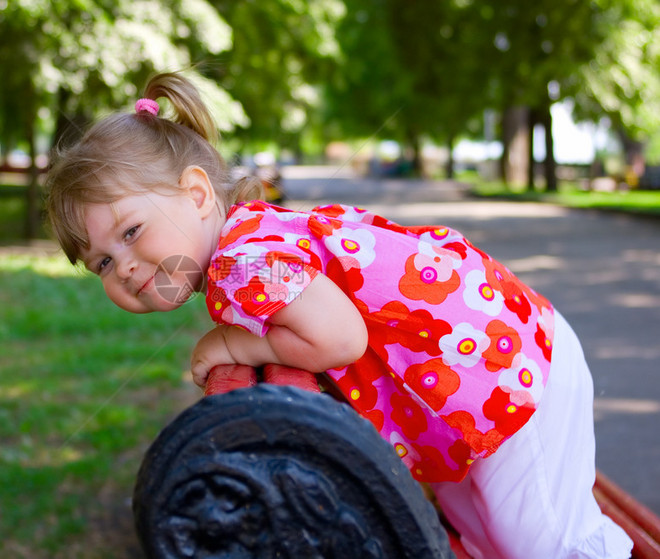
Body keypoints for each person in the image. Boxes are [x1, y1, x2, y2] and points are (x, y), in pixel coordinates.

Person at [43, 72, 633, 559]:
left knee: (545, 543)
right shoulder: (248, 245)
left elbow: (340, 337)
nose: (121, 267)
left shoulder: (244, 260)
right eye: (100, 262)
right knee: (485, 537)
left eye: (131, 231)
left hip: (509, 379)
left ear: (197, 194)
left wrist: (235, 347)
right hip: (482, 382)